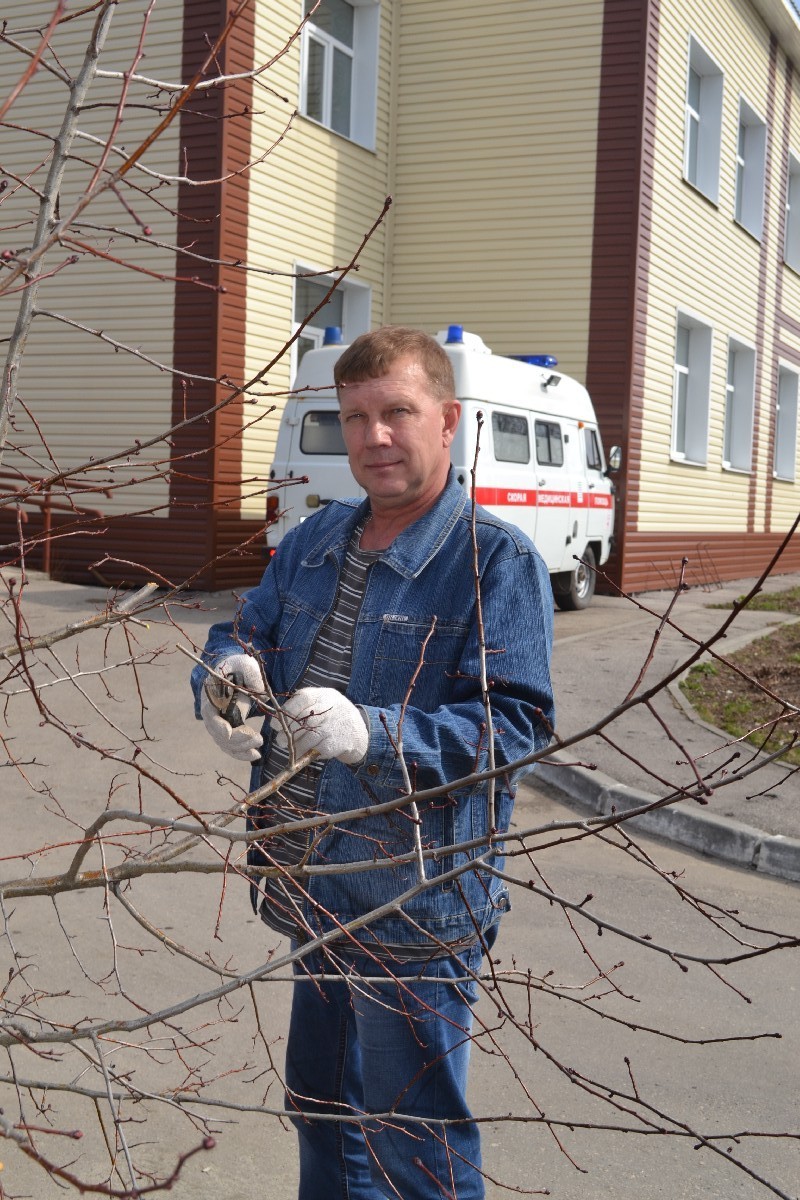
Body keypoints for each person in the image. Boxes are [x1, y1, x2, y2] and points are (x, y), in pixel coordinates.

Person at [191, 326, 555, 1199]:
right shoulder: (315, 542)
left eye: (398, 412)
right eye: (355, 416)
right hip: (308, 880)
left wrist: (376, 734)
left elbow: (516, 727)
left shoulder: (493, 562)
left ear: (449, 421)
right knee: (319, 1111)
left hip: (414, 905)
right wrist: (224, 675)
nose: (374, 436)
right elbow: (243, 631)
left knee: (410, 1145)